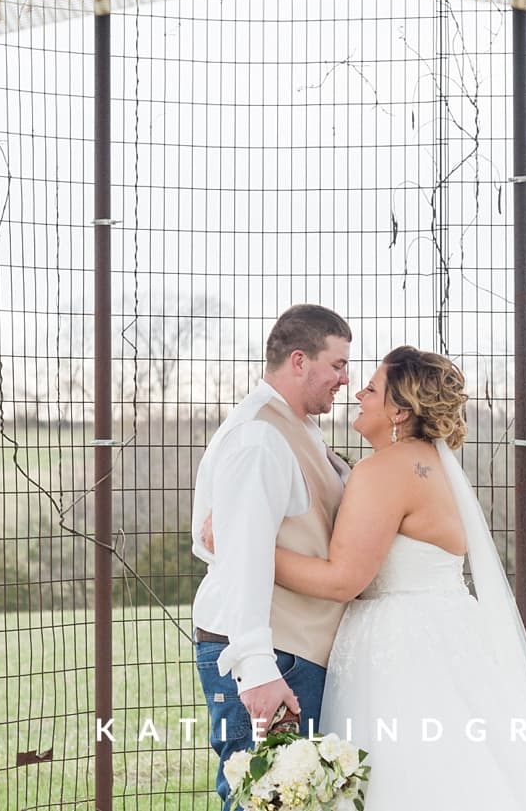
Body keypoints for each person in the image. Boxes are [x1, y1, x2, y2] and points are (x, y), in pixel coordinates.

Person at [269, 346, 526, 809]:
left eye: (371, 389)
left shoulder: (381, 472)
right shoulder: (435, 467)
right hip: (451, 638)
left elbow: (342, 580)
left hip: (398, 654)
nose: (357, 392)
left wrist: (251, 549)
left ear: (399, 409)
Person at [188, 304, 354, 810]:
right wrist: (256, 668)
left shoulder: (298, 429)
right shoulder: (260, 437)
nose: (346, 379)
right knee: (265, 799)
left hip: (292, 648)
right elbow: (240, 560)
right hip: (270, 655)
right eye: (338, 364)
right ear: (299, 361)